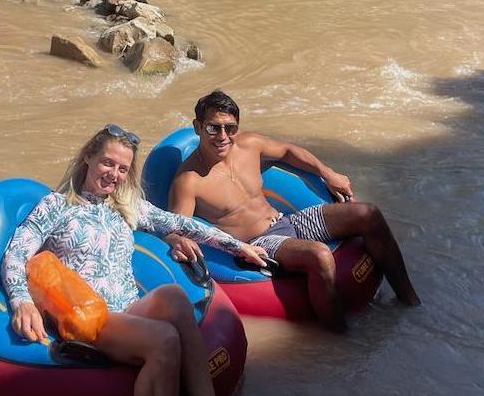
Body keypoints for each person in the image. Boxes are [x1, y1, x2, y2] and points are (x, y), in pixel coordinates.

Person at [1, 123, 267, 396]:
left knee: (174, 296)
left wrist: (238, 247)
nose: (114, 174)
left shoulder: (126, 207)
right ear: (88, 157)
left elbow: (182, 224)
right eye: (107, 163)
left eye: (122, 169)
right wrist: (21, 301)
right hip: (90, 316)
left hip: (129, 308)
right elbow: (17, 252)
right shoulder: (56, 206)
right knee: (165, 339)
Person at [167, 90, 421, 332]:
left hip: (288, 221)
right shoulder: (189, 180)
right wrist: (179, 241)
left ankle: (410, 302)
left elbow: (288, 151)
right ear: (198, 126)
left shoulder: (249, 145)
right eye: (213, 128)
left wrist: (328, 173)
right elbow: (175, 226)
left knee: (368, 214)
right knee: (320, 255)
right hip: (259, 242)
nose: (223, 136)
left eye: (230, 128)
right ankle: (342, 341)